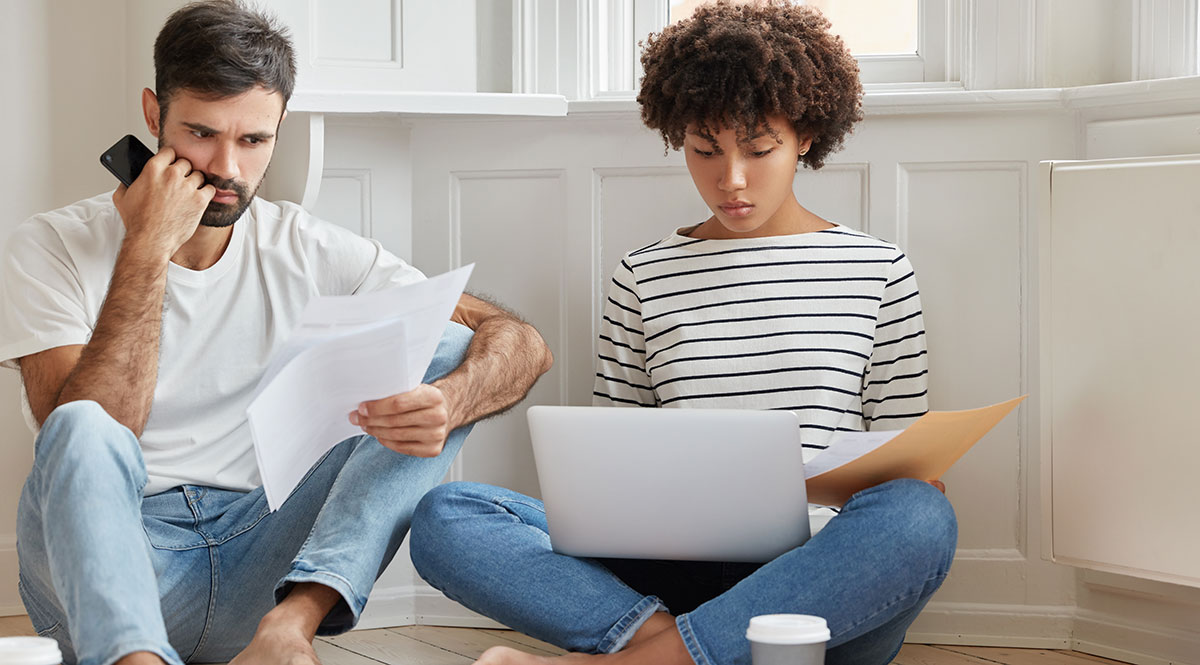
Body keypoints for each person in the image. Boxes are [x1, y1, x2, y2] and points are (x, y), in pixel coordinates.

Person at [0, 2, 553, 664]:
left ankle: (289, 627)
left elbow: (518, 340)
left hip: (258, 556)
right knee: (82, 423)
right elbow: (89, 429)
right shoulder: (51, 246)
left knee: (450, 350)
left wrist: (451, 401)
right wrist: (147, 247)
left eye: (254, 140)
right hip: (113, 570)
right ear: (153, 115)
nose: (226, 167)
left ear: (279, 128)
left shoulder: (307, 247)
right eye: (201, 133)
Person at [408, 2, 956, 664]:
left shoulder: (878, 270)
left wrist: (900, 487)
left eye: (759, 150)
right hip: (669, 574)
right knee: (448, 516)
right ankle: (667, 651)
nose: (731, 180)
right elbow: (611, 472)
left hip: (817, 586)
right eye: (705, 149)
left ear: (806, 135)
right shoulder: (643, 276)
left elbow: (906, 464)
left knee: (919, 517)